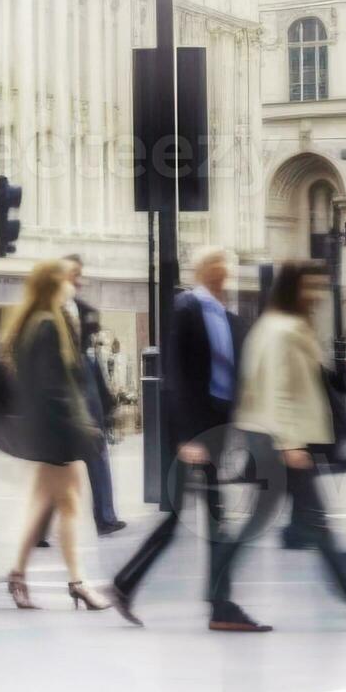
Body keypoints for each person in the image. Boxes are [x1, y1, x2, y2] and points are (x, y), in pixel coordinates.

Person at [211, 260, 346, 632]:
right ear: (291, 288)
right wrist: (289, 444)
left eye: (318, 286)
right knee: (313, 521)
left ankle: (220, 602)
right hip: (279, 441)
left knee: (274, 522)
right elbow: (278, 390)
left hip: (269, 437)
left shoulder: (276, 325)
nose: (315, 295)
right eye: (308, 287)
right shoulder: (283, 329)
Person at [114, 247, 240, 625]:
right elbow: (178, 376)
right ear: (204, 270)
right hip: (193, 432)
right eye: (217, 265)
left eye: (226, 265)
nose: (224, 272)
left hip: (215, 428)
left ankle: (215, 602)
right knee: (184, 520)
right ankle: (217, 604)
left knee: (208, 519)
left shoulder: (223, 314)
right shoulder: (188, 308)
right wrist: (187, 436)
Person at [0, 258, 114, 614]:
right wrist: (77, 427)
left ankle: (22, 576)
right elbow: (52, 388)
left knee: (50, 505)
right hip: (56, 431)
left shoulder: (44, 321)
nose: (72, 284)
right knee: (66, 505)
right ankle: (75, 583)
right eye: (66, 279)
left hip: (51, 429)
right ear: (54, 284)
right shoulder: (47, 325)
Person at [62, 254, 130, 536]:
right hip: (62, 388)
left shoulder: (85, 310)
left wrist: (106, 401)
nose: (78, 279)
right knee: (54, 463)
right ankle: (39, 527)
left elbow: (93, 360)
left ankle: (105, 517)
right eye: (72, 273)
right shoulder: (46, 310)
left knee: (97, 452)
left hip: (85, 386)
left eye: (79, 273)